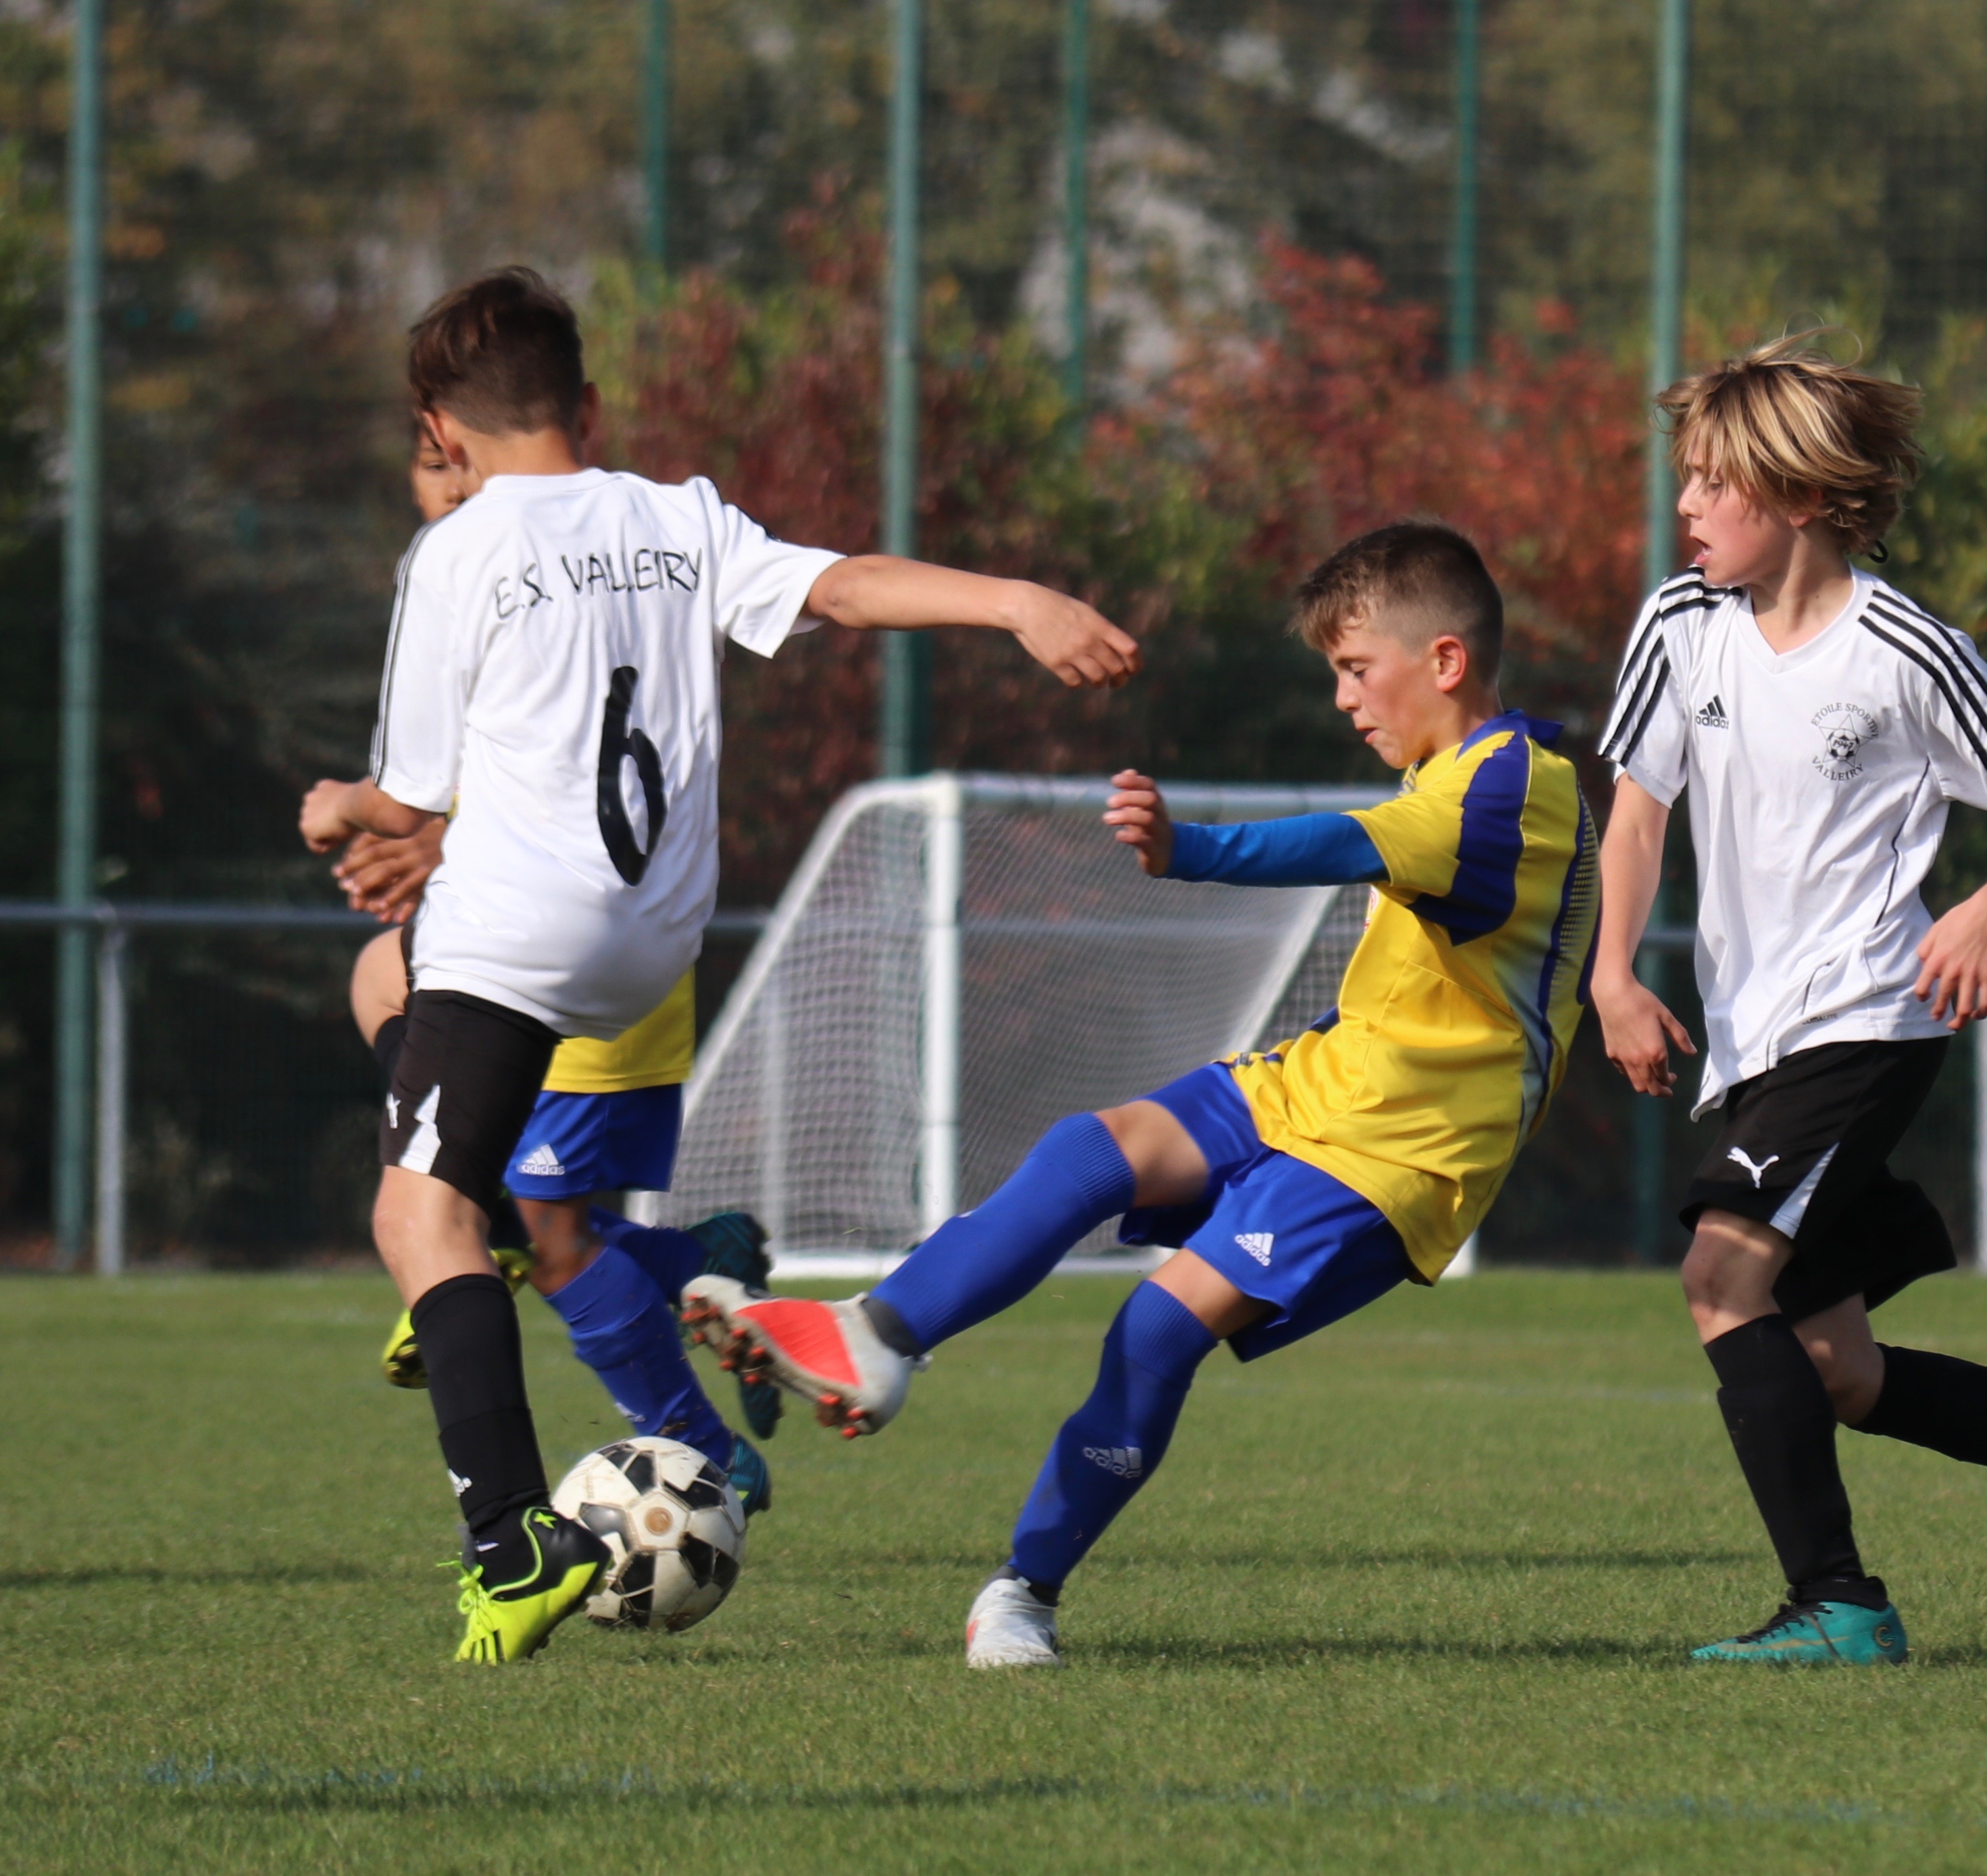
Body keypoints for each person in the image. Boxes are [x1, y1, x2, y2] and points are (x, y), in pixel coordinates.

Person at [299, 267, 1139, 1664]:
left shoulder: (457, 548)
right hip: (655, 944)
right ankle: (503, 1231)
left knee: (413, 1219)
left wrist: (338, 808)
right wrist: (1016, 601)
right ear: (585, 404)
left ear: (439, 430)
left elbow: (406, 792)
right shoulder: (677, 517)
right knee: (388, 990)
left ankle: (508, 1543)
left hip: (523, 936)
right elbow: (845, 587)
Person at [684, 519, 1598, 1669]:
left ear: (1446, 661)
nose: (1341, 698)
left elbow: (1340, 841)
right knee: (1088, 1149)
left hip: (1400, 1152)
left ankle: (1023, 1592)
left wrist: (1191, 847)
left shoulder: (1512, 785)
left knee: (1156, 1327)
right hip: (1316, 1080)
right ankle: (877, 1333)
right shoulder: (1451, 770)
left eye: (1356, 669)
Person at [1585, 334, 1987, 1665]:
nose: (1685, 504)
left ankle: (1840, 1605)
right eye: (1686, 476)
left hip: (1866, 1017)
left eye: (1715, 482)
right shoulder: (1678, 622)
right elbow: (1636, 810)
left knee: (1718, 1276)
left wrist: (1984, 909)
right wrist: (1611, 971)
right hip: (1754, 1037)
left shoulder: (1905, 649)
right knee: (1836, 1370)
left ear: (1805, 497)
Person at [343, 420, 787, 1519]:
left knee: (551, 1243)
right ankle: (683, 1258)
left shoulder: (562, 563)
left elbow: (593, 781)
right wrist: (430, 843)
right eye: (434, 482)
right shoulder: (482, 567)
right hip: (544, 949)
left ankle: (704, 1451)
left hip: (572, 954)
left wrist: (406, 829)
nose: (456, 495)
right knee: (378, 979)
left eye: (463, 470)